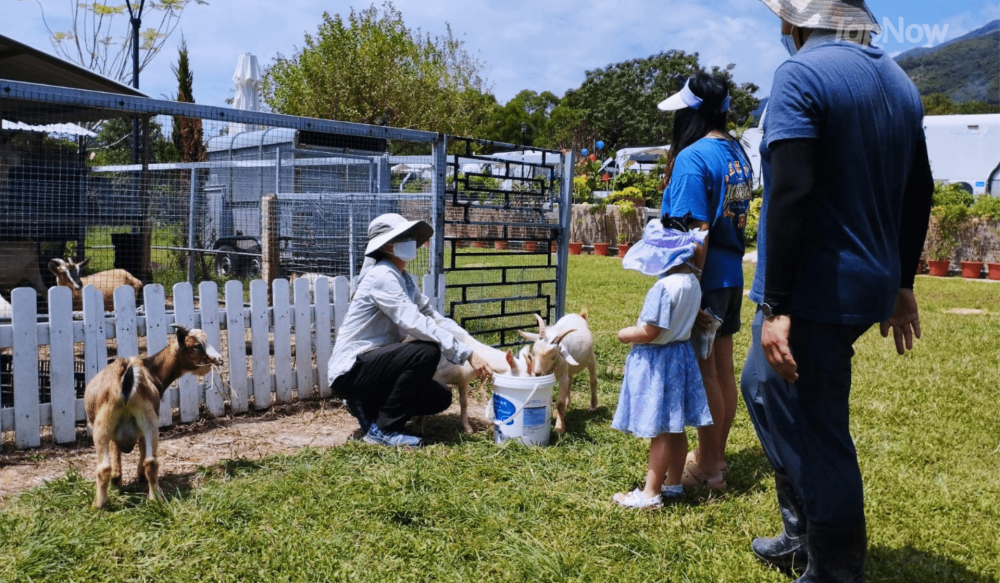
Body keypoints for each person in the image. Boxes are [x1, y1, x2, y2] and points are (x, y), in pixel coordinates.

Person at [743, 0, 934, 580]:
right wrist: (901, 283)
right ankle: (801, 530)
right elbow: (919, 189)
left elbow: (792, 191)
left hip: (816, 287)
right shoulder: (899, 80)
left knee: (815, 425)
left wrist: (777, 304)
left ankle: (836, 567)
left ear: (796, 22)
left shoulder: (799, 74)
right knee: (763, 386)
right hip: (867, 279)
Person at [658, 73, 754, 490]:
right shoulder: (737, 153)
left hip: (705, 280)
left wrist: (689, 289)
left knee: (705, 373)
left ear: (691, 113)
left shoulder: (692, 158)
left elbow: (694, 230)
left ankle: (710, 468)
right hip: (731, 276)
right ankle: (716, 457)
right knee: (723, 370)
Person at [327, 213, 492, 447]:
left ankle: (369, 407)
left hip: (375, 366)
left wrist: (467, 344)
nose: (411, 240)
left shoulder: (403, 277)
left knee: (440, 396)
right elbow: (413, 320)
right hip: (352, 370)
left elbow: (430, 315)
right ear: (386, 245)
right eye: (403, 236)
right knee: (426, 351)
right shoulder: (381, 275)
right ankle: (383, 430)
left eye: (410, 235)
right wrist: (466, 354)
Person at [610, 216, 713, 509]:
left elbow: (651, 331)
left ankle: (650, 492)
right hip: (681, 356)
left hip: (658, 363)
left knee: (660, 431)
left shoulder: (663, 288)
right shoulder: (693, 282)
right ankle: (674, 483)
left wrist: (625, 334)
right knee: (675, 426)